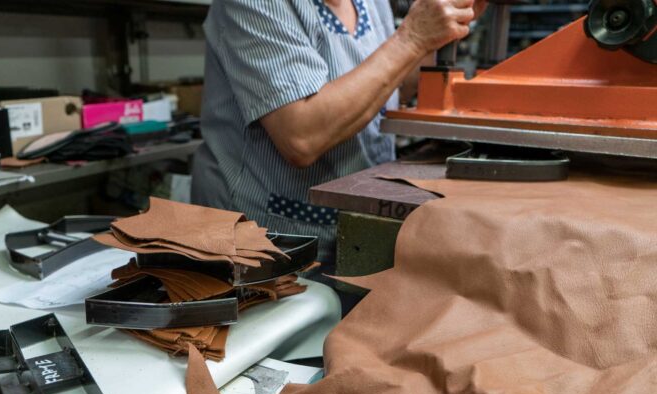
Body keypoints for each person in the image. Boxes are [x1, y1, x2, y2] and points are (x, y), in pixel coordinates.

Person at [191, 0, 486, 269]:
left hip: (362, 230)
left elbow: (392, 86)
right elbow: (302, 136)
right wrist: (413, 37)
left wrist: (444, 29)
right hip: (267, 248)